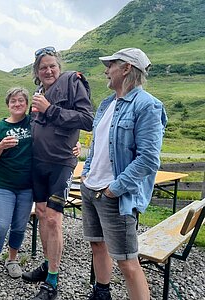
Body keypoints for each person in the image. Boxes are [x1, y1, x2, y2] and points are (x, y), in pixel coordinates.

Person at [80, 48, 167, 300]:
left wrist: (114, 189)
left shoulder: (147, 105)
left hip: (115, 195)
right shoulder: (108, 103)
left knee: (127, 261)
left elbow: (149, 159)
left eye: (111, 65)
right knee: (97, 245)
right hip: (91, 188)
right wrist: (86, 174)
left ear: (127, 68)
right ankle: (102, 292)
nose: (106, 70)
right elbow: (97, 145)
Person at [22, 46, 94, 300]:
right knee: (41, 214)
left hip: (61, 163)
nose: (48, 70)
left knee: (53, 218)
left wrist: (50, 109)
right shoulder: (38, 92)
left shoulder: (73, 82)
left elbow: (88, 119)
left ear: (59, 67)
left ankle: (52, 281)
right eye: (43, 67)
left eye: (52, 65)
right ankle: (46, 263)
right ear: (37, 72)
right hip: (37, 163)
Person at [0, 87, 34, 292]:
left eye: (21, 101)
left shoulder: (33, 123)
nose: (17, 104)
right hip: (2, 184)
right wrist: (1, 145)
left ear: (27, 104)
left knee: (19, 226)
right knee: (1, 226)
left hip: (27, 185)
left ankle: (12, 260)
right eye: (13, 101)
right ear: (8, 104)